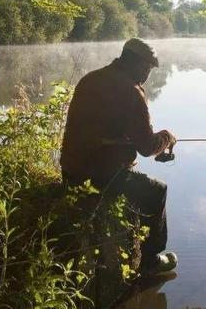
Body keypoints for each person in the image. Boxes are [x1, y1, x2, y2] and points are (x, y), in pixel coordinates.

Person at [60, 37, 178, 275]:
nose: (147, 75)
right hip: (102, 177)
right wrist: (166, 137)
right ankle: (150, 261)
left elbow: (100, 127)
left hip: (70, 170)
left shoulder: (91, 79)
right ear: (136, 64)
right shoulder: (130, 91)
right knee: (158, 190)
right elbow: (147, 146)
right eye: (147, 69)